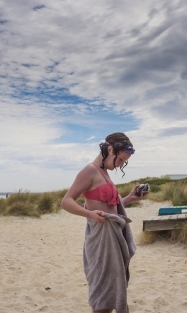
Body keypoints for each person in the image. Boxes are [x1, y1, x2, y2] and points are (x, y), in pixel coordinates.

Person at [61, 132, 149, 313]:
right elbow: (66, 201)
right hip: (101, 240)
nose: (121, 165)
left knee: (111, 292)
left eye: (124, 162)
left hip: (113, 238)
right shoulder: (90, 170)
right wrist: (90, 214)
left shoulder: (105, 173)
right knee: (103, 295)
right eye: (121, 160)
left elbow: (111, 208)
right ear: (110, 149)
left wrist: (130, 199)